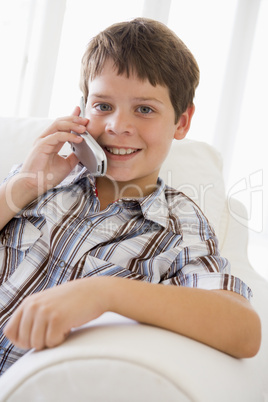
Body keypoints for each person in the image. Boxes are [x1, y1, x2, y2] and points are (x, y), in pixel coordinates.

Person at [0, 18, 261, 376]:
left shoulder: (179, 227)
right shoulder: (36, 179)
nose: (118, 126)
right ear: (82, 109)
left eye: (145, 109)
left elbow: (243, 331)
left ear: (181, 122)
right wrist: (24, 186)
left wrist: (102, 292)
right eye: (103, 106)